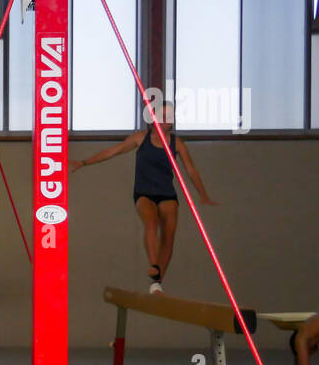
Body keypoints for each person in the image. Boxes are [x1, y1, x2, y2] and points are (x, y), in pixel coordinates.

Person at [71, 102, 216, 293]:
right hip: (144, 194)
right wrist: (84, 162)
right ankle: (154, 266)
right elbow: (113, 151)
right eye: (162, 116)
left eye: (169, 117)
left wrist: (203, 194)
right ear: (153, 119)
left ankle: (157, 281)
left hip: (167, 194)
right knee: (151, 222)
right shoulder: (141, 138)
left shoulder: (176, 143)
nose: (166, 121)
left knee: (169, 236)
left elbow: (191, 170)